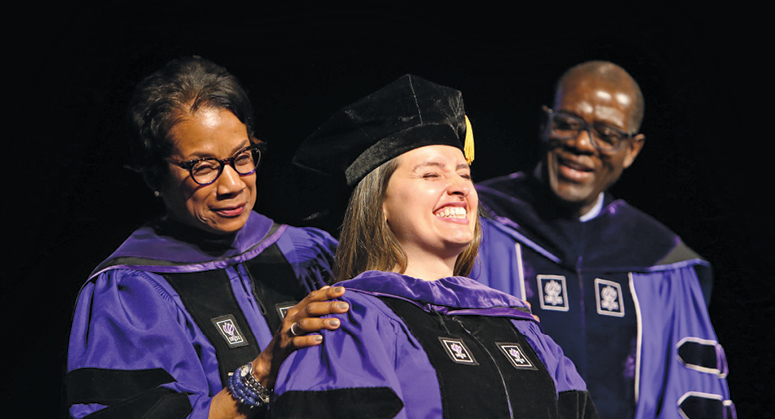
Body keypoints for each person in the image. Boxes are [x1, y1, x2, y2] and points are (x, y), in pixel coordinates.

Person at [270, 74, 599, 418]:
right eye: (431, 175)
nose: (459, 187)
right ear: (377, 202)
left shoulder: (523, 329)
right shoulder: (349, 323)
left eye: (464, 174)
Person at [65, 56, 351, 419]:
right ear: (155, 176)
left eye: (242, 157)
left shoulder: (309, 252)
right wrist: (263, 370)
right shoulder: (131, 293)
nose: (232, 185)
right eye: (203, 166)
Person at [472, 61, 734, 419]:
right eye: (567, 124)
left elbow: (692, 395)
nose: (582, 144)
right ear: (546, 123)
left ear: (632, 150)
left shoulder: (663, 265)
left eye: (607, 134)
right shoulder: (478, 225)